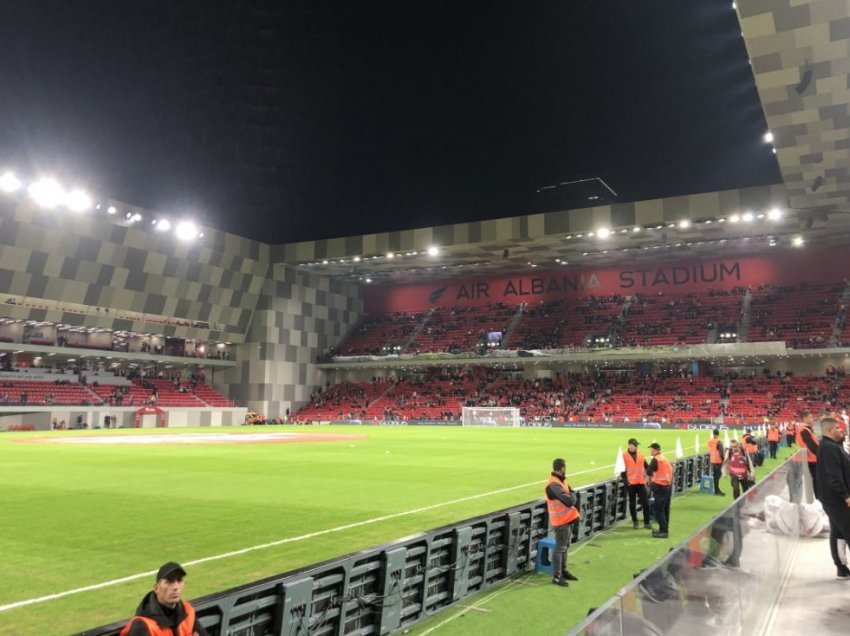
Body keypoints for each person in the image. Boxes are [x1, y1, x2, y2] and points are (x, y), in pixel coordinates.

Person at [120, 562, 209, 636]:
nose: (176, 587)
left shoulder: (187, 611)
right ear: (156, 588)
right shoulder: (142, 625)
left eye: (179, 580)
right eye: (169, 581)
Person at [815, 417, 850, 579]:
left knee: (838, 532)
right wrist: (846, 496)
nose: (840, 430)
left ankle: (841, 568)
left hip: (832, 498)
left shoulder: (831, 446)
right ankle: (841, 567)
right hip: (836, 499)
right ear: (829, 431)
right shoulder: (829, 448)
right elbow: (833, 476)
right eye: (837, 428)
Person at [545, 457, 581, 587]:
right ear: (562, 468)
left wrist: (572, 495)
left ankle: (563, 571)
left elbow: (571, 493)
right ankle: (557, 576)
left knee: (564, 547)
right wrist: (572, 495)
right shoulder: (553, 484)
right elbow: (570, 500)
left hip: (567, 519)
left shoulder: (560, 481)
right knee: (560, 548)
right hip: (561, 521)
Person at [621, 438, 652, 529]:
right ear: (630, 445)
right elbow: (622, 471)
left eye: (637, 445)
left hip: (641, 483)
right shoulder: (624, 456)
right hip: (631, 484)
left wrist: (653, 470)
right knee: (632, 504)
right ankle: (635, 521)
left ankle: (647, 522)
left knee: (645, 503)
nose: (636, 446)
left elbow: (646, 466)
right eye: (635, 445)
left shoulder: (641, 454)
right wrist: (626, 482)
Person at [647, 443, 673, 539]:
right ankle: (664, 528)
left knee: (659, 509)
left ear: (655, 450)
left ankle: (664, 531)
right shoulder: (664, 458)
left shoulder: (655, 460)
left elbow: (648, 472)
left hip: (660, 487)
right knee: (665, 508)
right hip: (668, 486)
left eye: (651, 449)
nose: (650, 451)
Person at [796, 411, 820, 499]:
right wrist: (821, 456)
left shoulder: (807, 429)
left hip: (813, 458)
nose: (812, 419)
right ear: (805, 418)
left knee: (817, 480)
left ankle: (819, 498)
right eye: (810, 417)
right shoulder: (803, 430)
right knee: (817, 480)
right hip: (812, 459)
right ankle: (819, 499)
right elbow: (812, 447)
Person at [707, 429, 726, 496]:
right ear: (718, 434)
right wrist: (723, 459)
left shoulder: (710, 441)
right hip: (718, 460)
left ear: (713, 434)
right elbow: (721, 452)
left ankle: (716, 490)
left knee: (715, 475)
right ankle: (717, 491)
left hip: (712, 460)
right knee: (717, 476)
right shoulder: (719, 442)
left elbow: (710, 450)